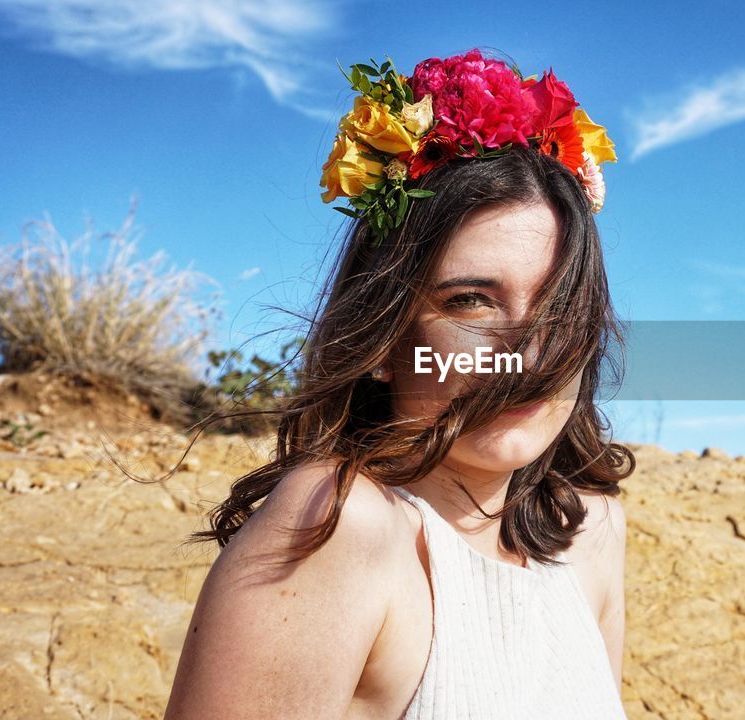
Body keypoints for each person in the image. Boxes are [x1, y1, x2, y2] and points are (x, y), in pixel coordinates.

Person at [163, 48, 633, 719]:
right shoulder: (337, 525)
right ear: (384, 339)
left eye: (559, 308)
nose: (528, 354)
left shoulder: (589, 532)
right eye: (471, 300)